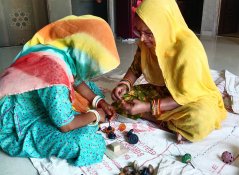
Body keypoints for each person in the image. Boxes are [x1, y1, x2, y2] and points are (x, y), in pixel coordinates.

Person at [0, 15, 120, 166]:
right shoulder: (54, 73)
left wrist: (99, 101)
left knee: (92, 90)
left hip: (25, 98)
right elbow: (66, 126)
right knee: (89, 144)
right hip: (15, 122)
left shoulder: (58, 50)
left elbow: (75, 79)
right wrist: (96, 115)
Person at [111, 0, 227, 143]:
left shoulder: (188, 49)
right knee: (122, 100)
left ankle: (152, 115)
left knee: (200, 119)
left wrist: (148, 107)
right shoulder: (146, 43)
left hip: (190, 99)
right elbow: (136, 68)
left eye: (148, 33)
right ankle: (169, 122)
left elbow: (185, 96)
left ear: (163, 27)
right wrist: (124, 85)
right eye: (138, 31)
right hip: (162, 91)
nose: (142, 38)